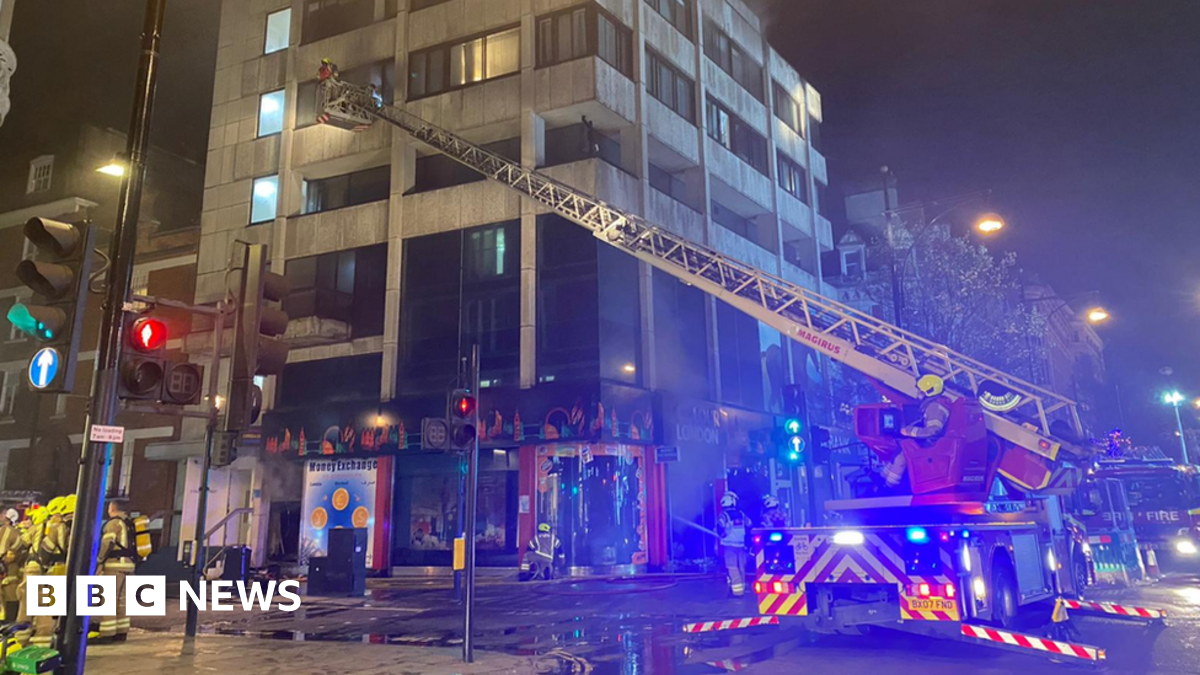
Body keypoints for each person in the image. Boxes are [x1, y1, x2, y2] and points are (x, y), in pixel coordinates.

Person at [882, 374, 952, 489]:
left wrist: (909, 432)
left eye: (921, 391)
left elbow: (933, 431)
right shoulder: (936, 405)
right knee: (900, 448)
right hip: (933, 442)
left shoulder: (934, 407)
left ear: (929, 391)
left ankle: (889, 486)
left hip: (931, 444)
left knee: (903, 455)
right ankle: (882, 476)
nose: (919, 394)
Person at [97, 500, 138, 642]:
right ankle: (121, 632)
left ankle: (107, 634)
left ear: (112, 508)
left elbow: (107, 543)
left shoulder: (113, 523)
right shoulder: (129, 523)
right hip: (129, 565)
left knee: (108, 600)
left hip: (114, 565)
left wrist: (99, 560)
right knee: (122, 601)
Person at [717, 492, 749, 597]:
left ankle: (737, 592)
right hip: (741, 545)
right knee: (741, 568)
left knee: (732, 568)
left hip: (729, 546)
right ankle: (741, 590)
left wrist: (720, 533)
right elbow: (749, 524)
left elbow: (720, 526)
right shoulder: (741, 514)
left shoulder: (724, 515)